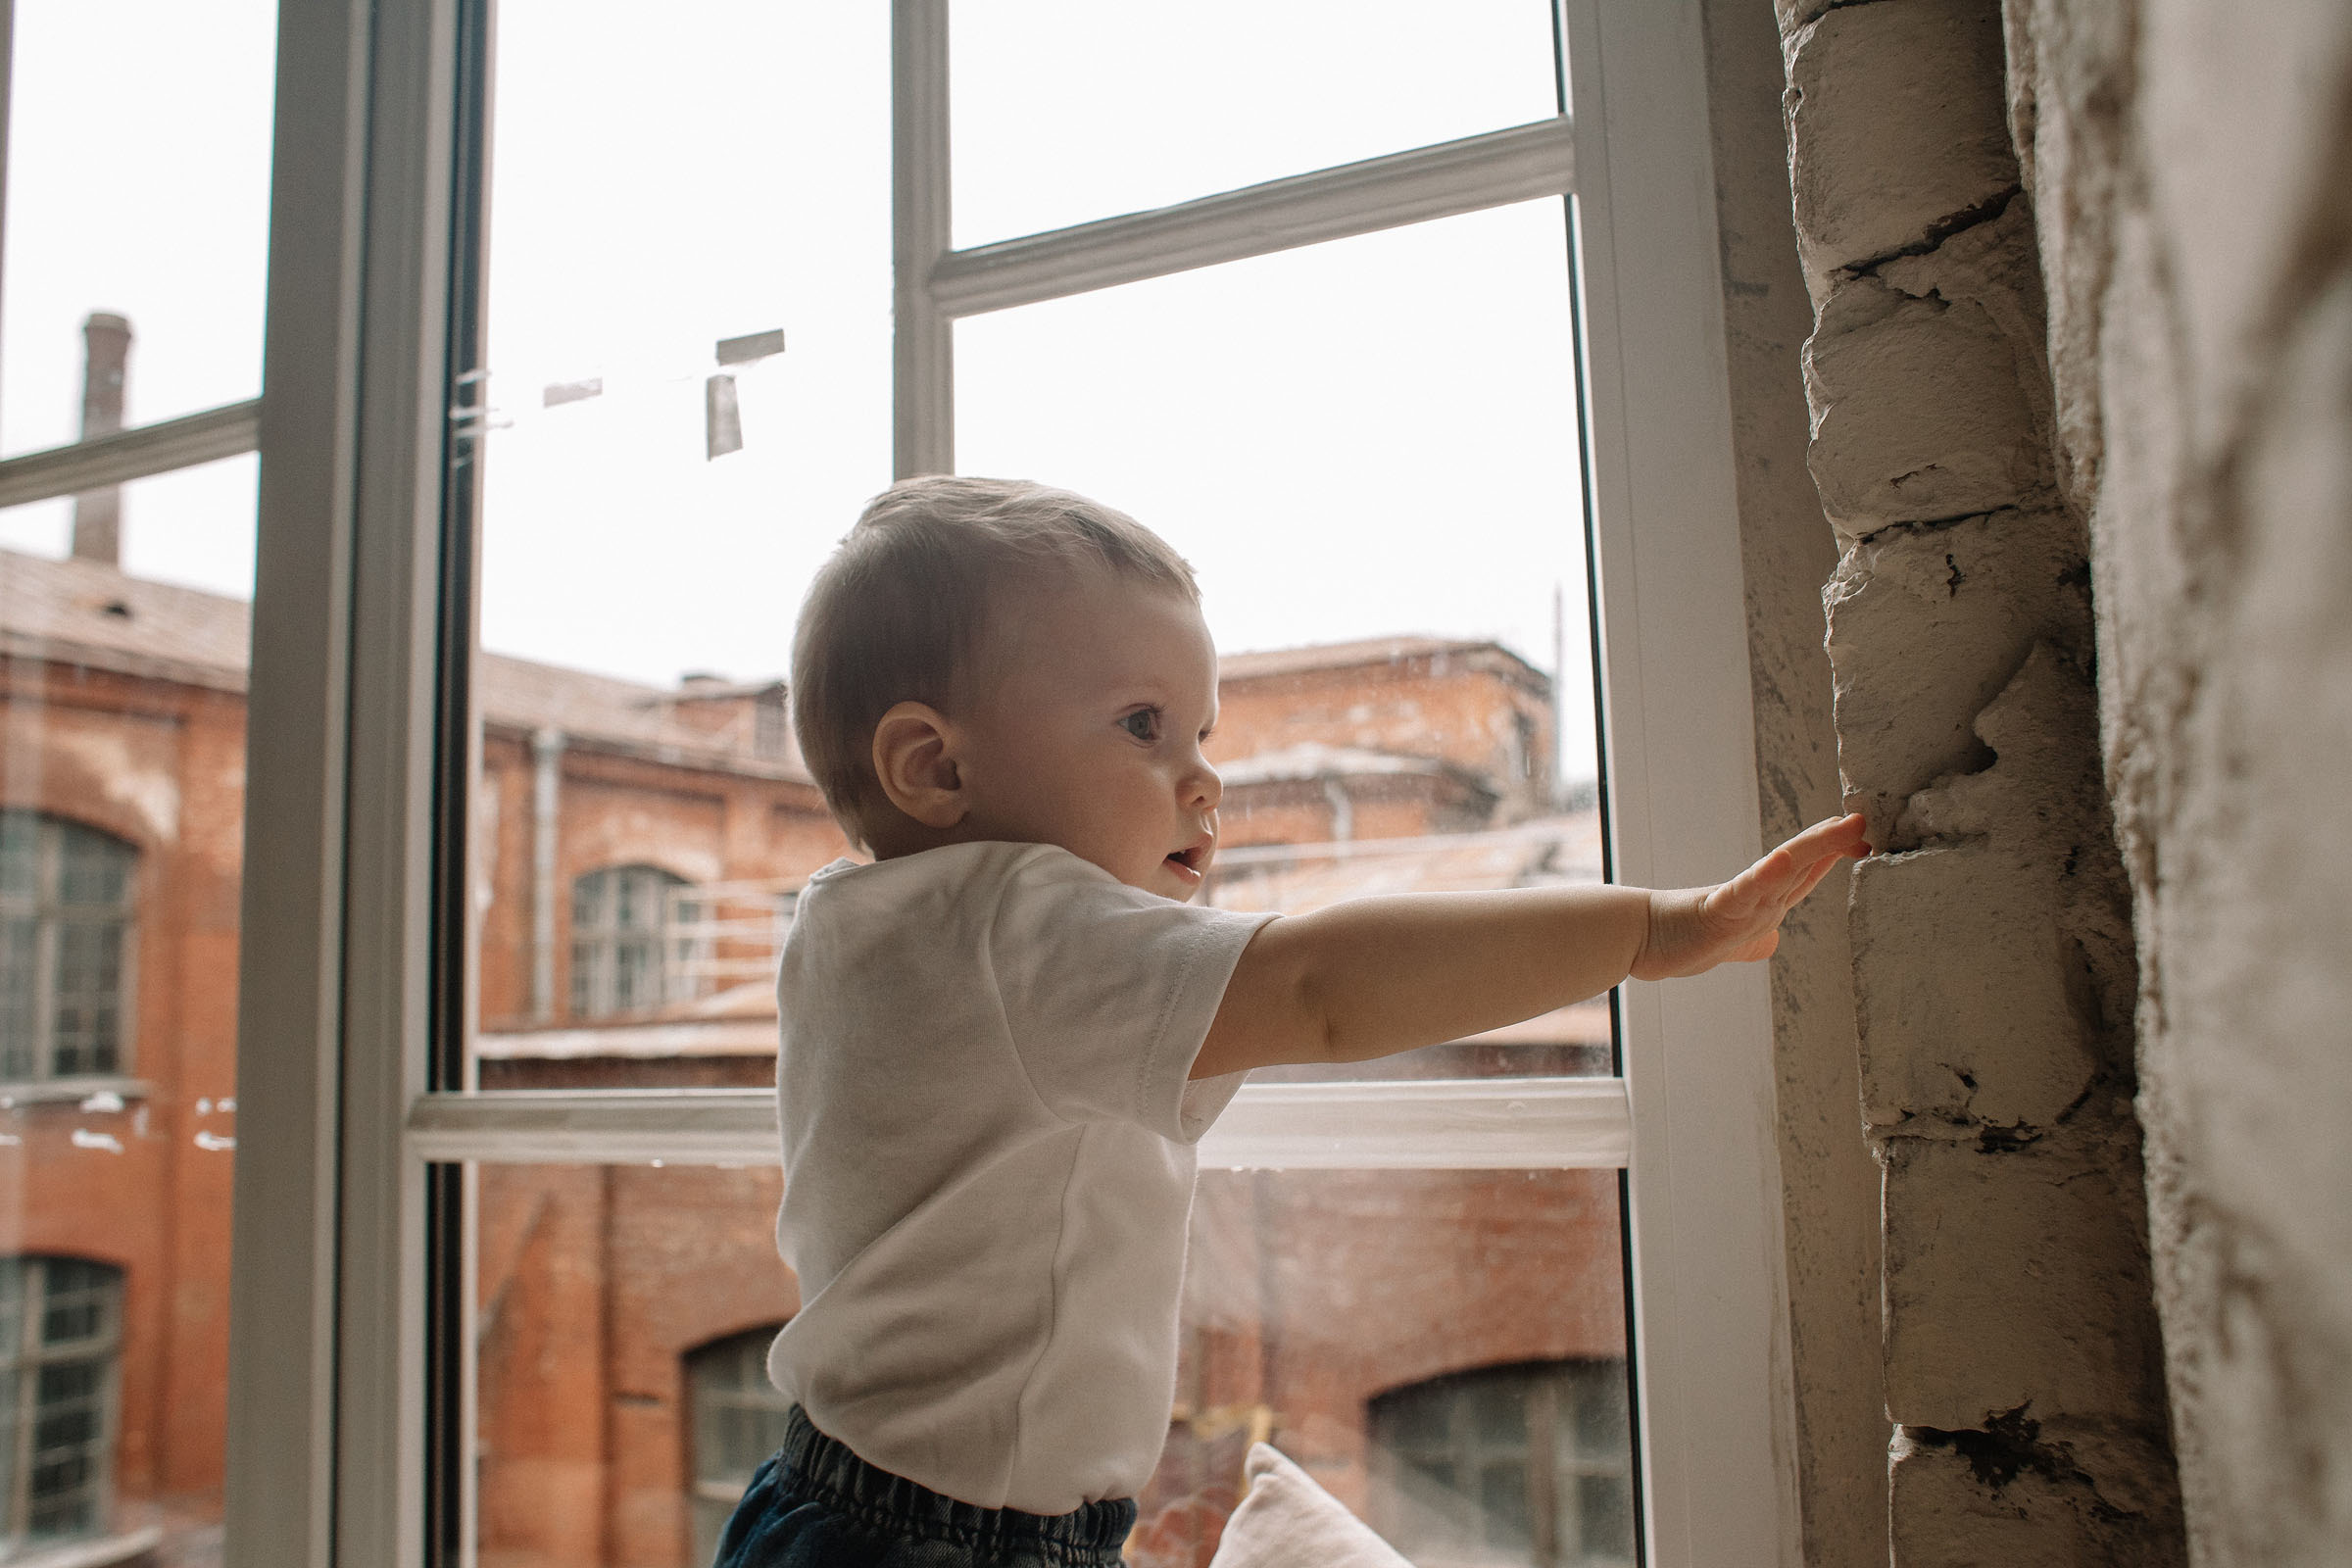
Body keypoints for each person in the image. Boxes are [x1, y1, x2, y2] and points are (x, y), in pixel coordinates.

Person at [713, 476, 1869, 1568]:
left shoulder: (851, 921)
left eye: (1201, 733)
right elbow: (1321, 987)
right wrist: (1654, 931)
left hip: (821, 1495)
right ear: (933, 764)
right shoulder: (1019, 925)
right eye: (1141, 726)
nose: (1203, 777)